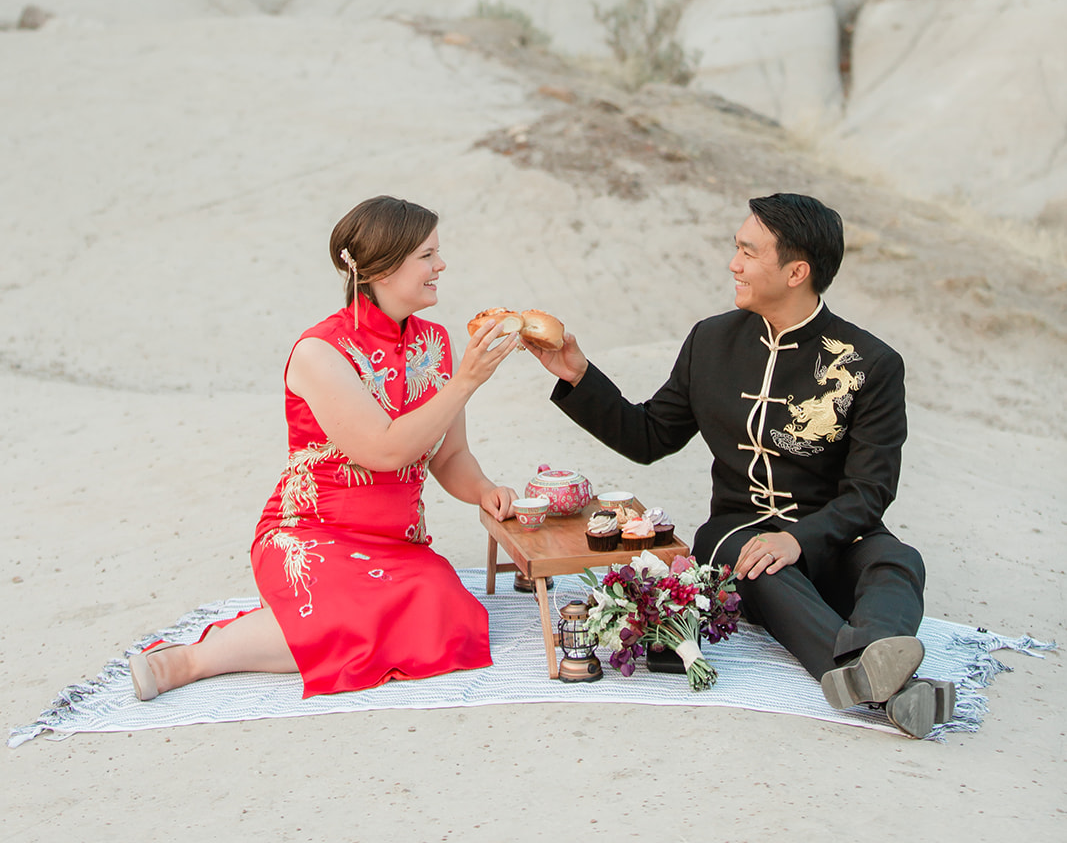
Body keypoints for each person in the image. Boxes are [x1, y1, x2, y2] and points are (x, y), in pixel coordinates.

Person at [529, 192, 955, 740]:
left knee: (898, 561)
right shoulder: (711, 340)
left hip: (834, 532)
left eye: (749, 253)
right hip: (737, 533)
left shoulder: (870, 363)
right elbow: (649, 436)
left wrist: (801, 538)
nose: (734, 263)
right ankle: (875, 674)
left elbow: (870, 491)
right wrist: (577, 374)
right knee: (760, 563)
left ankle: (871, 665)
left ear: (797, 271)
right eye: (737, 248)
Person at [129, 195, 518, 700]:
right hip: (312, 532)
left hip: (396, 543)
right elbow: (383, 450)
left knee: (451, 613)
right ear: (382, 266)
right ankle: (193, 659)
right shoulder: (320, 351)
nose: (440, 265)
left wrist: (485, 490)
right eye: (427, 255)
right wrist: (465, 383)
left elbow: (449, 456)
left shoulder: (438, 342)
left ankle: (288, 621)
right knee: (345, 613)